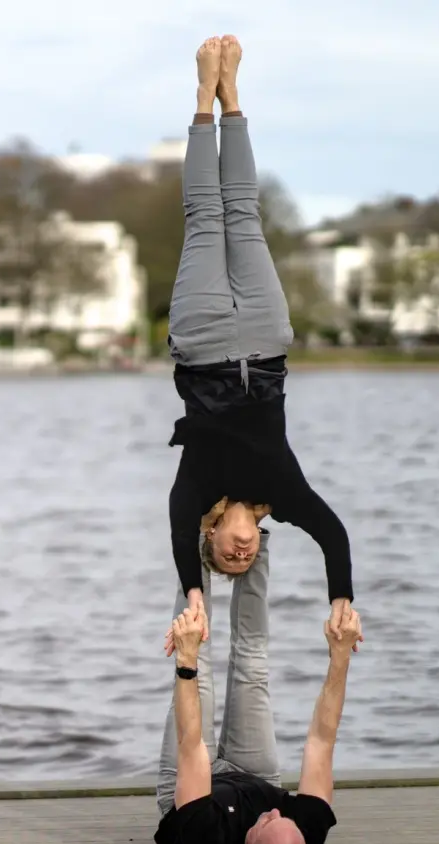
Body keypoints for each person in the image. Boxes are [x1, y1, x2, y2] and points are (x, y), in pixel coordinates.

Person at [162, 35, 358, 654]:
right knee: (243, 212)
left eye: (228, 559)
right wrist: (341, 601)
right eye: (245, 563)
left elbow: (175, 539)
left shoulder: (195, 491)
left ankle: (204, 100)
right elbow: (334, 535)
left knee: (205, 215)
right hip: (268, 338)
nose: (241, 554)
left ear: (211, 539)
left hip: (202, 336)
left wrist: (194, 593)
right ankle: (235, 100)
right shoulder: (285, 494)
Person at [154, 601, 361, 844]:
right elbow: (322, 740)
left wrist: (186, 660)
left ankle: (190, 579)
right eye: (283, 818)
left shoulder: (211, 837)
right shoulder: (307, 833)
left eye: (268, 822)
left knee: (195, 656)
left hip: (192, 788)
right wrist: (341, 654)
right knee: (253, 667)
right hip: (256, 778)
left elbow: (190, 742)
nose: (276, 811)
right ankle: (253, 556)